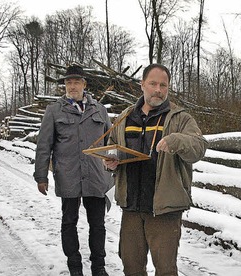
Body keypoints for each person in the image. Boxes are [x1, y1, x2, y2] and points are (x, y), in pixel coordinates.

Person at [103, 63, 208, 276]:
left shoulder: (180, 118)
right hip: (131, 207)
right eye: (153, 84)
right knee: (131, 267)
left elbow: (198, 148)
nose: (158, 90)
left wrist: (176, 140)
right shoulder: (125, 117)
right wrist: (110, 163)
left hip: (164, 211)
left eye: (163, 85)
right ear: (142, 85)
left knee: (165, 270)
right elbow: (112, 146)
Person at [34, 64, 114, 276]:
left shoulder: (100, 110)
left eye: (76, 82)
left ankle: (99, 267)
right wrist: (41, 175)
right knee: (69, 222)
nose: (72, 86)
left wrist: (112, 171)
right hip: (68, 175)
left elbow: (110, 143)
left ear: (84, 84)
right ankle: (75, 267)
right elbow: (44, 145)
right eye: (68, 82)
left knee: (97, 224)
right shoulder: (54, 111)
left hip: (96, 177)